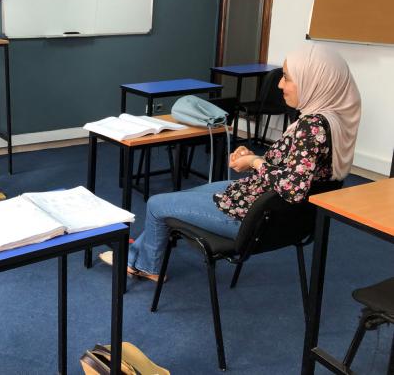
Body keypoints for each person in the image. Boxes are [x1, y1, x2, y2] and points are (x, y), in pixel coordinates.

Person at [102, 44, 361, 282]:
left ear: (313, 81)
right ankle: (139, 254)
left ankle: (146, 265)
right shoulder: (334, 119)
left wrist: (257, 162)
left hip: (252, 218)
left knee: (157, 204)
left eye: (287, 78)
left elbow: (293, 189)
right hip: (278, 216)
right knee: (187, 194)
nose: (280, 85)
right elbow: (298, 169)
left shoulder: (310, 127)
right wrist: (256, 159)